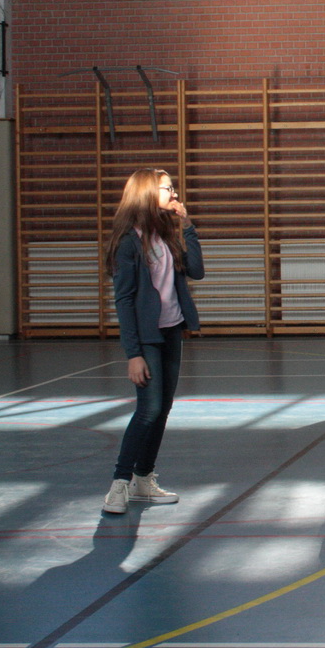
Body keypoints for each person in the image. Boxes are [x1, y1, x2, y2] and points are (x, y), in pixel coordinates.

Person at [102, 169, 204, 514]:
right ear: (147, 193)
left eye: (173, 188)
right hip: (146, 337)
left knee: (163, 408)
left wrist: (187, 226)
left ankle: (143, 479)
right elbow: (124, 300)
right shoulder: (128, 242)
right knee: (148, 410)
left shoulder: (166, 234)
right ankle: (119, 484)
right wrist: (133, 353)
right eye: (167, 188)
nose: (173, 193)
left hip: (171, 330)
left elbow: (197, 271)